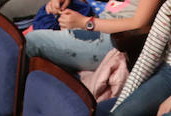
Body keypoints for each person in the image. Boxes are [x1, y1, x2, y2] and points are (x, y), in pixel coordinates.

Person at [25, 0, 161, 73]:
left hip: (118, 41)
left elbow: (138, 24)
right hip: (101, 22)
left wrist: (87, 23)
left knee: (32, 41)